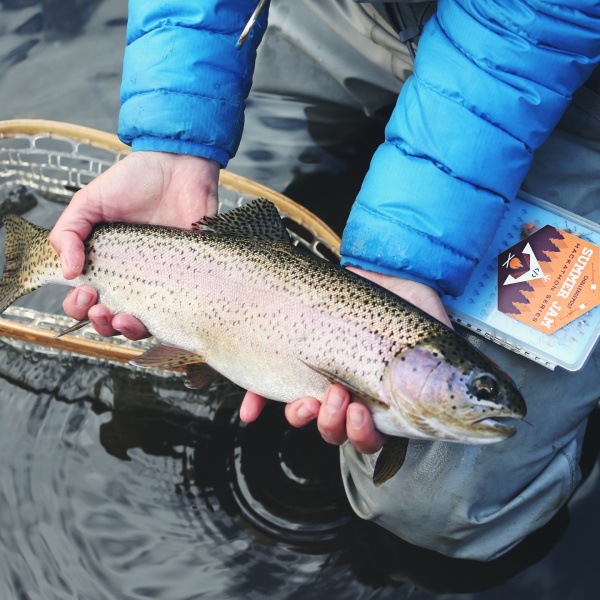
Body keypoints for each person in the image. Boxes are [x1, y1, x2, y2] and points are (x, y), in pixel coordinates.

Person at [48, 0, 600, 561]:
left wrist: (403, 261)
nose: (484, 395)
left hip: (552, 66)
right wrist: (173, 134)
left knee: (438, 501)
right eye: (482, 388)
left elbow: (527, 26)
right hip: (369, 12)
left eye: (479, 389)